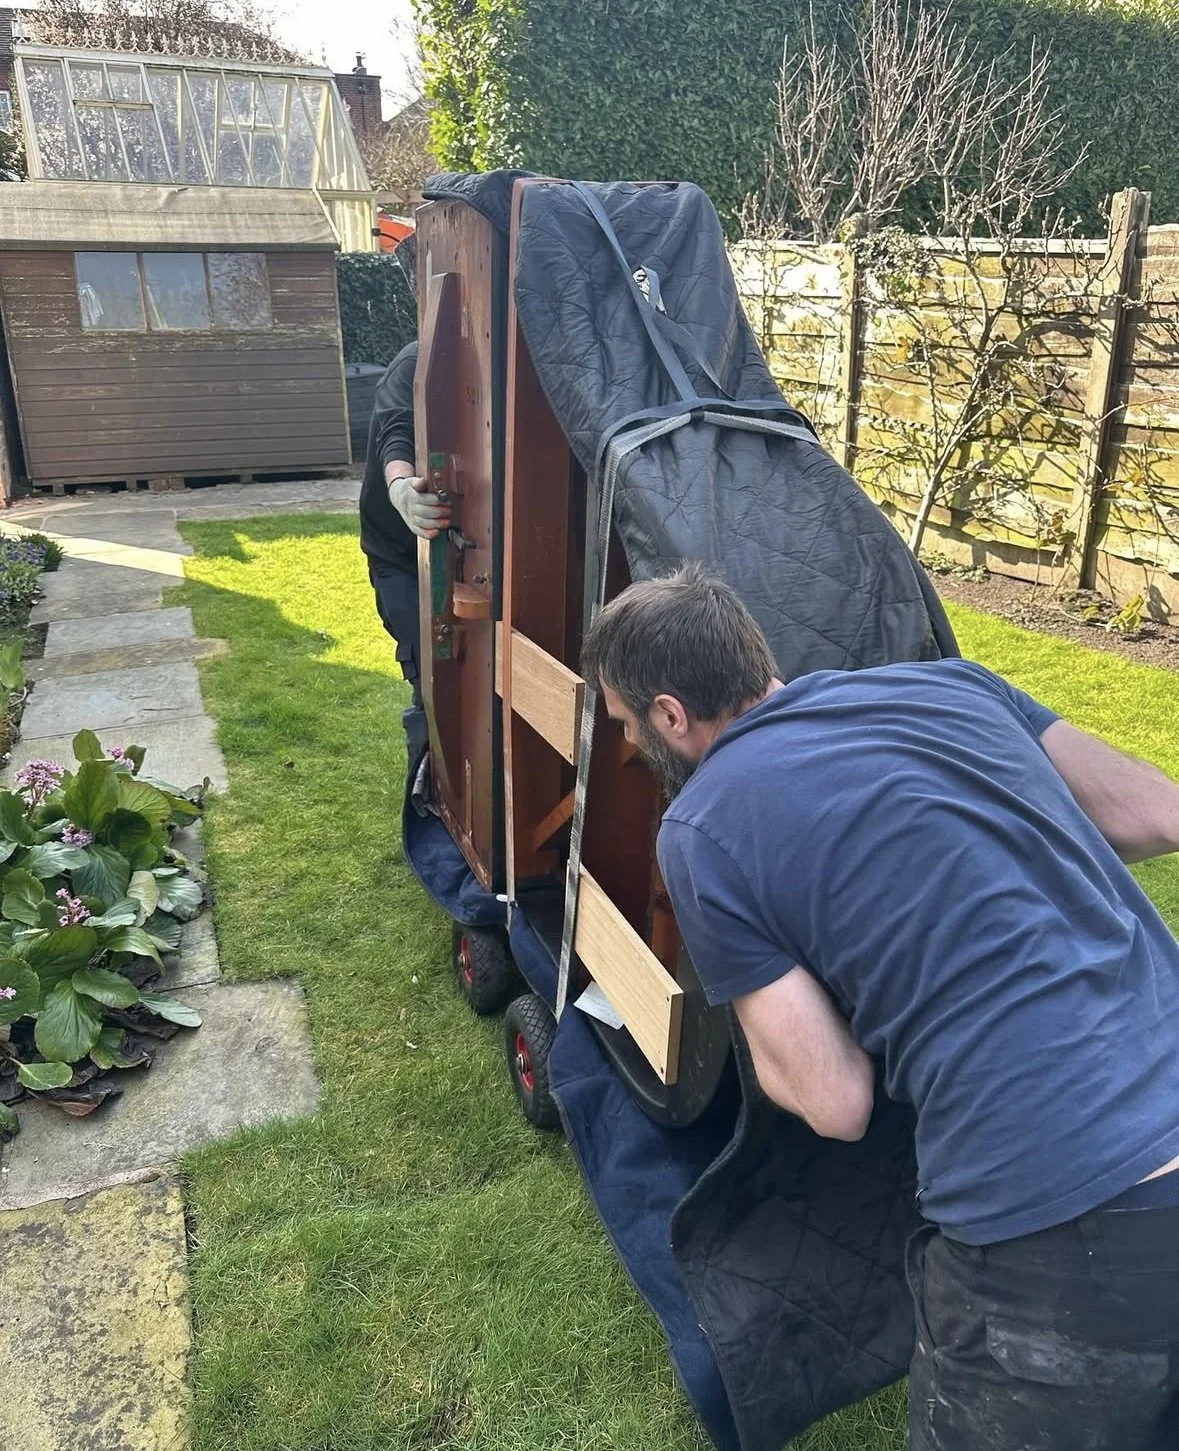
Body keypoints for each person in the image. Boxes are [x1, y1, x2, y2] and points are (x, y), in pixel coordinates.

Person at [580, 563, 1179, 1451]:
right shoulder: (958, 685)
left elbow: (835, 1100)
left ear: (669, 715)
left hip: (1058, 1216)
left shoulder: (701, 828)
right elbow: (1155, 813)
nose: (629, 742)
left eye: (625, 722)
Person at [359, 339, 450, 762]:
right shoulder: (415, 362)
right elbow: (396, 431)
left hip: (461, 554)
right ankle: (427, 784)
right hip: (398, 558)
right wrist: (400, 488)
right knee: (431, 680)